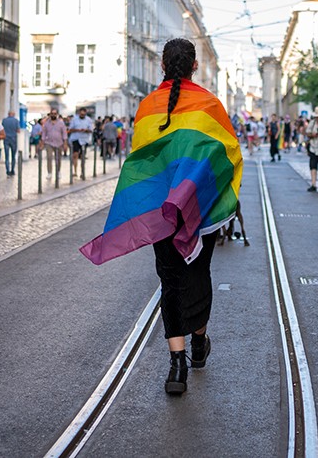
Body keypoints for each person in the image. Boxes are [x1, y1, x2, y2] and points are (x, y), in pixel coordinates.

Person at [79, 38, 242, 395]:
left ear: (162, 66)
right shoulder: (210, 105)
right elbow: (228, 152)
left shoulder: (147, 106)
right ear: (195, 66)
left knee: (170, 279)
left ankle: (176, 365)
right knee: (198, 271)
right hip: (199, 207)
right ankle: (199, 342)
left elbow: (142, 159)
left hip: (161, 210)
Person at [41, 108, 67, 179]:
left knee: (58, 158)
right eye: (52, 113)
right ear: (50, 114)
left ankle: (58, 171)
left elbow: (64, 133)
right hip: (49, 142)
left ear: (57, 114)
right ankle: (49, 173)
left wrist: (65, 143)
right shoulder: (46, 123)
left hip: (59, 143)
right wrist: (42, 143)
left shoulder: (61, 123)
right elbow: (44, 133)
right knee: (49, 157)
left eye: (55, 113)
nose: (53, 115)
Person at [68, 107, 94, 178]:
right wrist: (77, 130)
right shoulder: (74, 119)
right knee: (75, 155)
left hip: (84, 140)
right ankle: (75, 171)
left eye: (83, 114)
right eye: (81, 114)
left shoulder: (88, 120)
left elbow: (91, 130)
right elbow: (70, 129)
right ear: (79, 113)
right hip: (76, 138)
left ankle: (82, 172)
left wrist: (86, 130)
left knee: (82, 156)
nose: (82, 115)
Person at [1, 110, 20, 177]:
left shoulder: (4, 120)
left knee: (7, 156)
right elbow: (18, 130)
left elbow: (2, 129)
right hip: (13, 139)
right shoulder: (16, 121)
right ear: (13, 114)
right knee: (13, 156)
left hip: (6, 139)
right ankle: (12, 170)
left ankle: (7, 170)